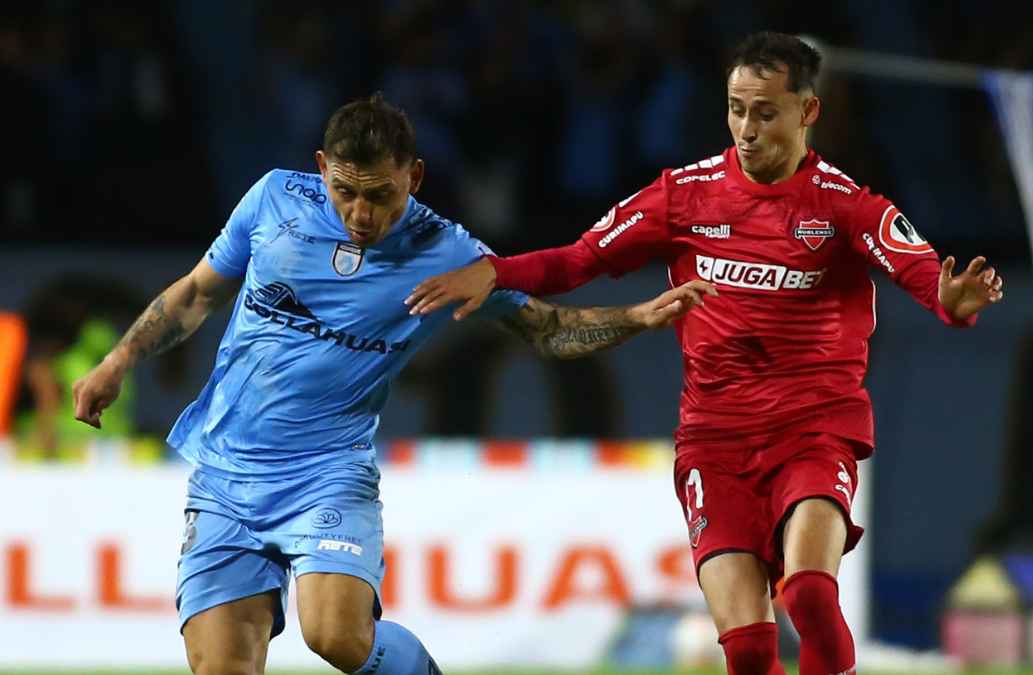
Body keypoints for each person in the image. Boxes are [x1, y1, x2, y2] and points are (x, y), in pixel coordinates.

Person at [405, 32, 1004, 675]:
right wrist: (492, 271)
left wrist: (952, 301)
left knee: (807, 592)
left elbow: (920, 273)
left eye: (765, 111)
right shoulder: (683, 195)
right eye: (735, 108)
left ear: (807, 112)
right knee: (747, 651)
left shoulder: (846, 206)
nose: (746, 128)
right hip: (713, 441)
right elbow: (577, 259)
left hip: (813, 426)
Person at [70, 93, 714, 675]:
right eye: (345, 191)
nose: (360, 212)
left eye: (380, 195)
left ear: (415, 176)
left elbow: (544, 329)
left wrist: (635, 317)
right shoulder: (271, 201)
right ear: (322, 166)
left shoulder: (447, 253)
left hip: (327, 471)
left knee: (338, 636)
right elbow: (195, 294)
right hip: (223, 475)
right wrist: (119, 360)